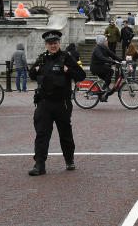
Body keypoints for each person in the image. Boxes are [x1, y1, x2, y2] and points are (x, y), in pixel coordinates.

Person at [28, 30, 85, 176]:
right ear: (46, 45)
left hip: (62, 103)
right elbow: (31, 74)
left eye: (55, 43)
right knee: (42, 134)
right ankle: (39, 165)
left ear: (59, 43)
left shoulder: (66, 57)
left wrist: (68, 71)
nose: (53, 46)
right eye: (50, 43)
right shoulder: (42, 58)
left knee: (65, 133)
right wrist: (35, 70)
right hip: (44, 103)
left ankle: (69, 159)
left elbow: (81, 75)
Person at [90, 36, 119, 102]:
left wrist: (121, 60)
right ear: (101, 42)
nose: (107, 42)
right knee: (110, 71)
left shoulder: (104, 48)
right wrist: (111, 61)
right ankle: (104, 89)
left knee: (108, 78)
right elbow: (101, 57)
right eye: (105, 41)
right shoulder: (97, 49)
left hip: (100, 66)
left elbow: (112, 55)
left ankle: (103, 91)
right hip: (95, 67)